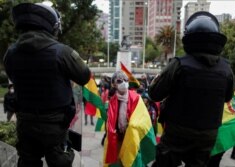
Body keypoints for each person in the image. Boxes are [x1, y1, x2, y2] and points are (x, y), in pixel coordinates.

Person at [4, 3, 91, 167]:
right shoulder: (62, 52)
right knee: (60, 162)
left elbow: (13, 76)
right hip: (54, 125)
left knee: (27, 161)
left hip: (25, 123)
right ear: (52, 26)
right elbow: (84, 76)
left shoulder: (11, 53)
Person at [148, 11, 234, 167]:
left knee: (164, 162)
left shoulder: (179, 64)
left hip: (177, 132)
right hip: (208, 134)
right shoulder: (226, 69)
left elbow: (155, 94)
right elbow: (227, 97)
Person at [103, 71, 156, 166]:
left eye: (125, 80)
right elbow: (110, 120)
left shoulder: (136, 98)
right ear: (114, 84)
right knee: (118, 161)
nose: (123, 83)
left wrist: (132, 126)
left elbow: (143, 118)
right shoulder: (113, 100)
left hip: (131, 138)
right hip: (118, 138)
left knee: (131, 161)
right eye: (119, 81)